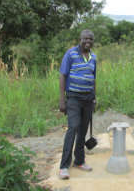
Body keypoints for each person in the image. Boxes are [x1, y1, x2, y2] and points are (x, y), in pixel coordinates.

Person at [59, 29, 96, 179]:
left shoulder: (93, 57)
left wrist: (94, 97)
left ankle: (79, 161)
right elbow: (62, 75)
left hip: (88, 99)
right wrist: (62, 100)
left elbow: (93, 78)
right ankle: (64, 166)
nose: (87, 41)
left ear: (93, 41)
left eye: (90, 39)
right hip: (73, 97)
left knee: (83, 130)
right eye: (85, 39)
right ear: (80, 39)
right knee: (73, 127)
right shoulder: (71, 54)